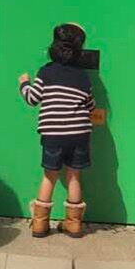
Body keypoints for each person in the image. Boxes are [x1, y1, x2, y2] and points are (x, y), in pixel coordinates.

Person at [19, 21, 94, 238]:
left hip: (53, 135)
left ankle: (40, 225)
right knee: (74, 176)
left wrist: (24, 83)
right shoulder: (83, 77)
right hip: (79, 134)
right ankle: (73, 225)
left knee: (49, 176)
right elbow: (90, 106)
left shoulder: (46, 72)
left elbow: (32, 99)